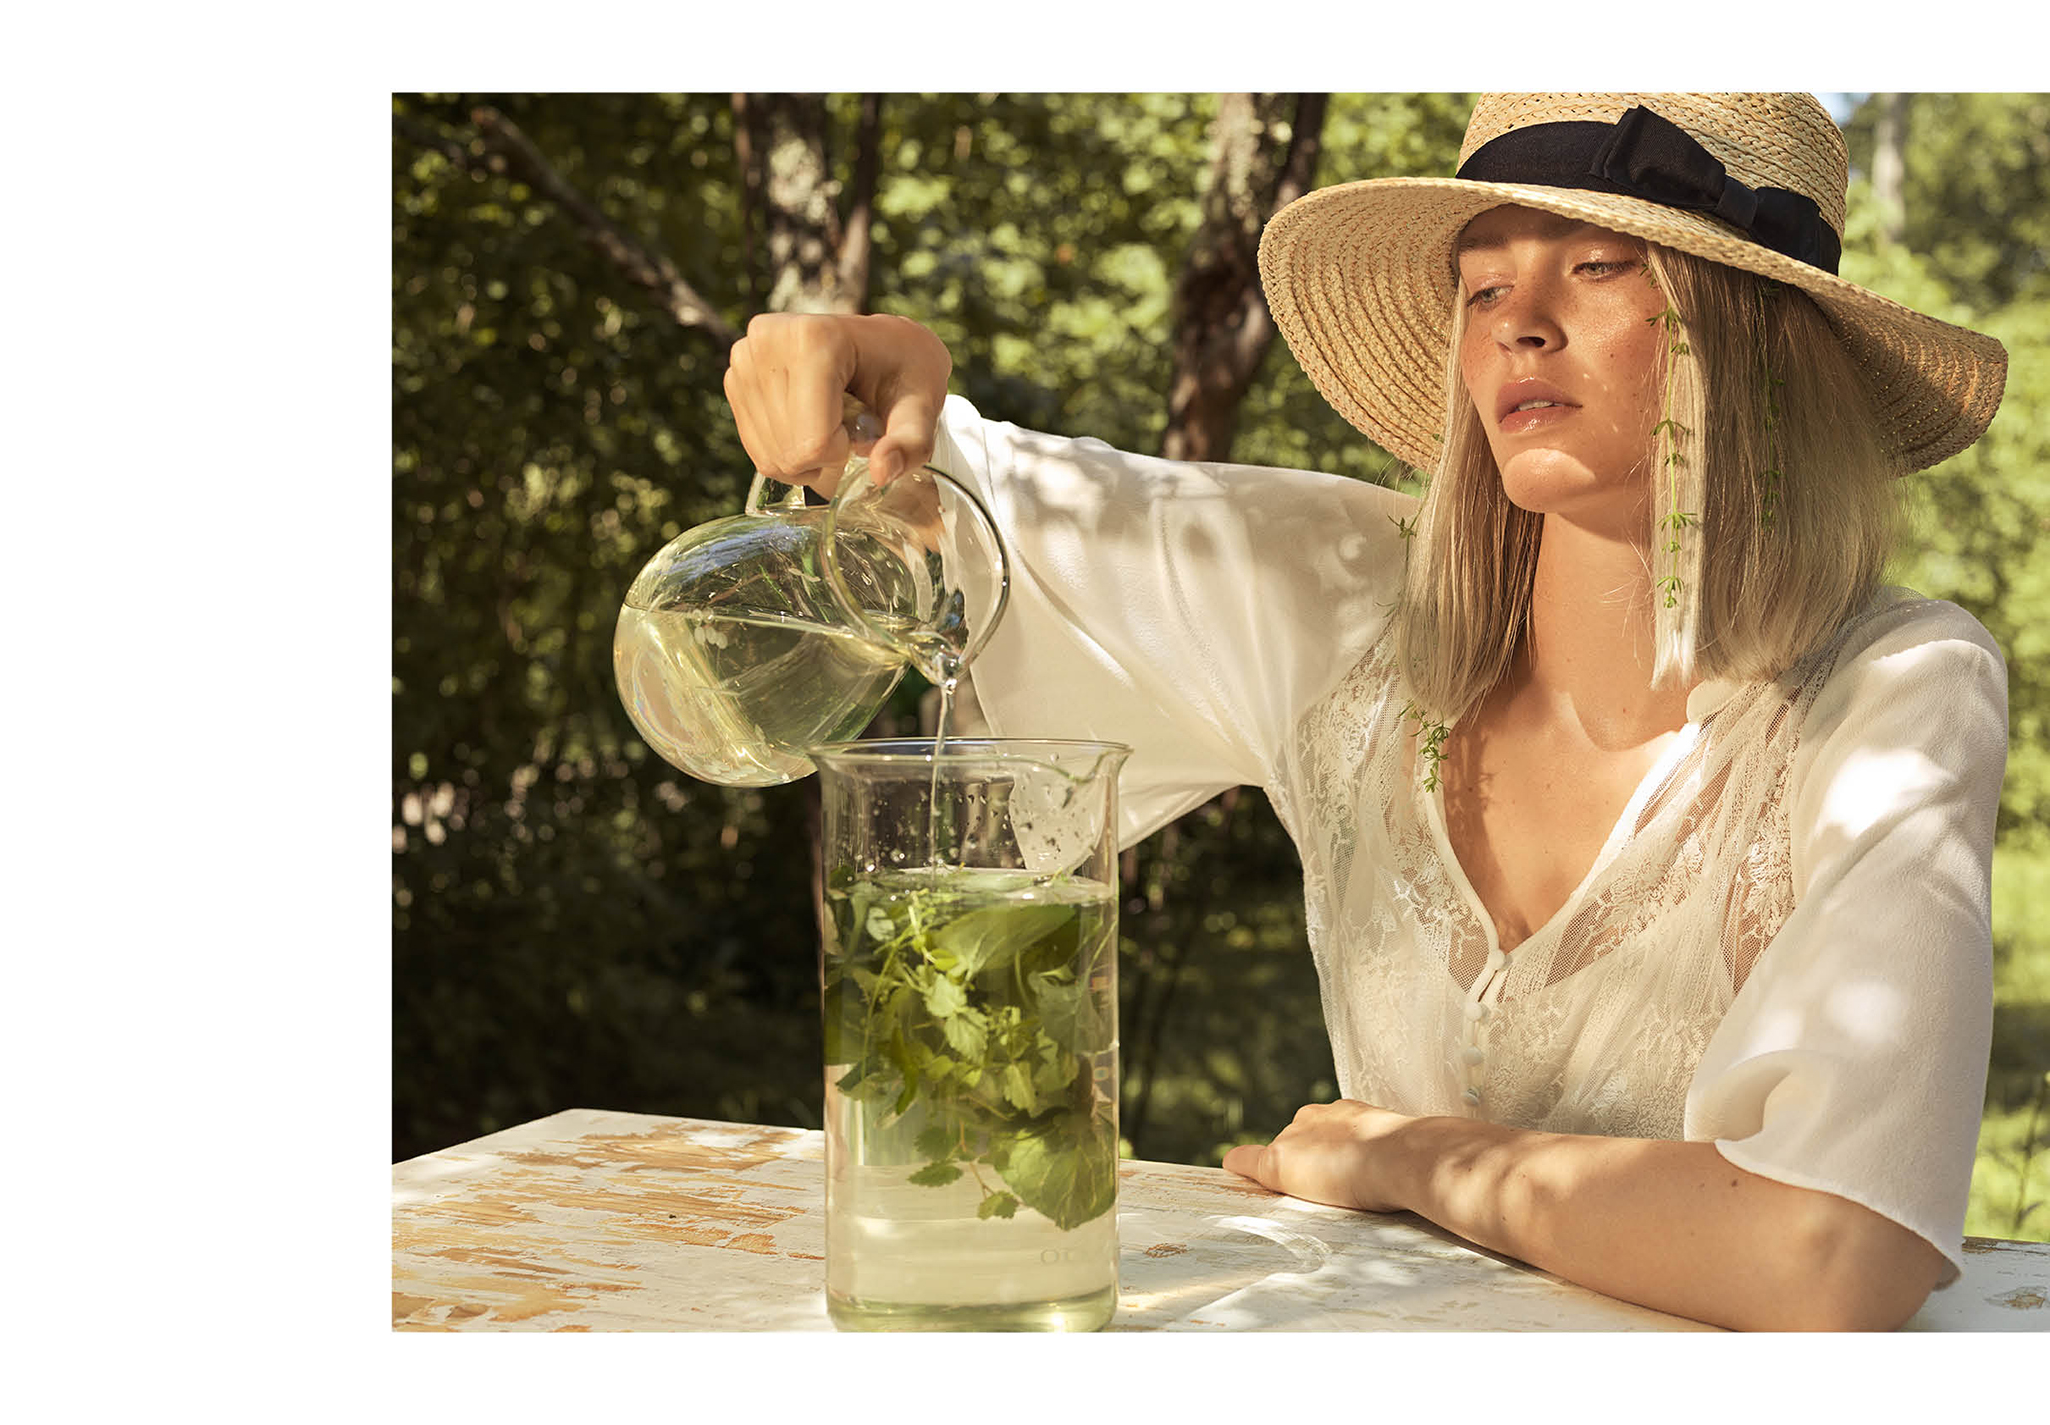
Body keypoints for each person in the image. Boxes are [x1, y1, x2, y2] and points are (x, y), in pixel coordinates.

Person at [720, 93, 2010, 1331]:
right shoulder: (1347, 598)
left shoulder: (1894, 691)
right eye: (1483, 287)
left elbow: (1836, 1251)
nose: (1519, 325)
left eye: (1601, 266)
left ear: (1760, 339)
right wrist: (865, 393)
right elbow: (997, 519)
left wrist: (1413, 1158)